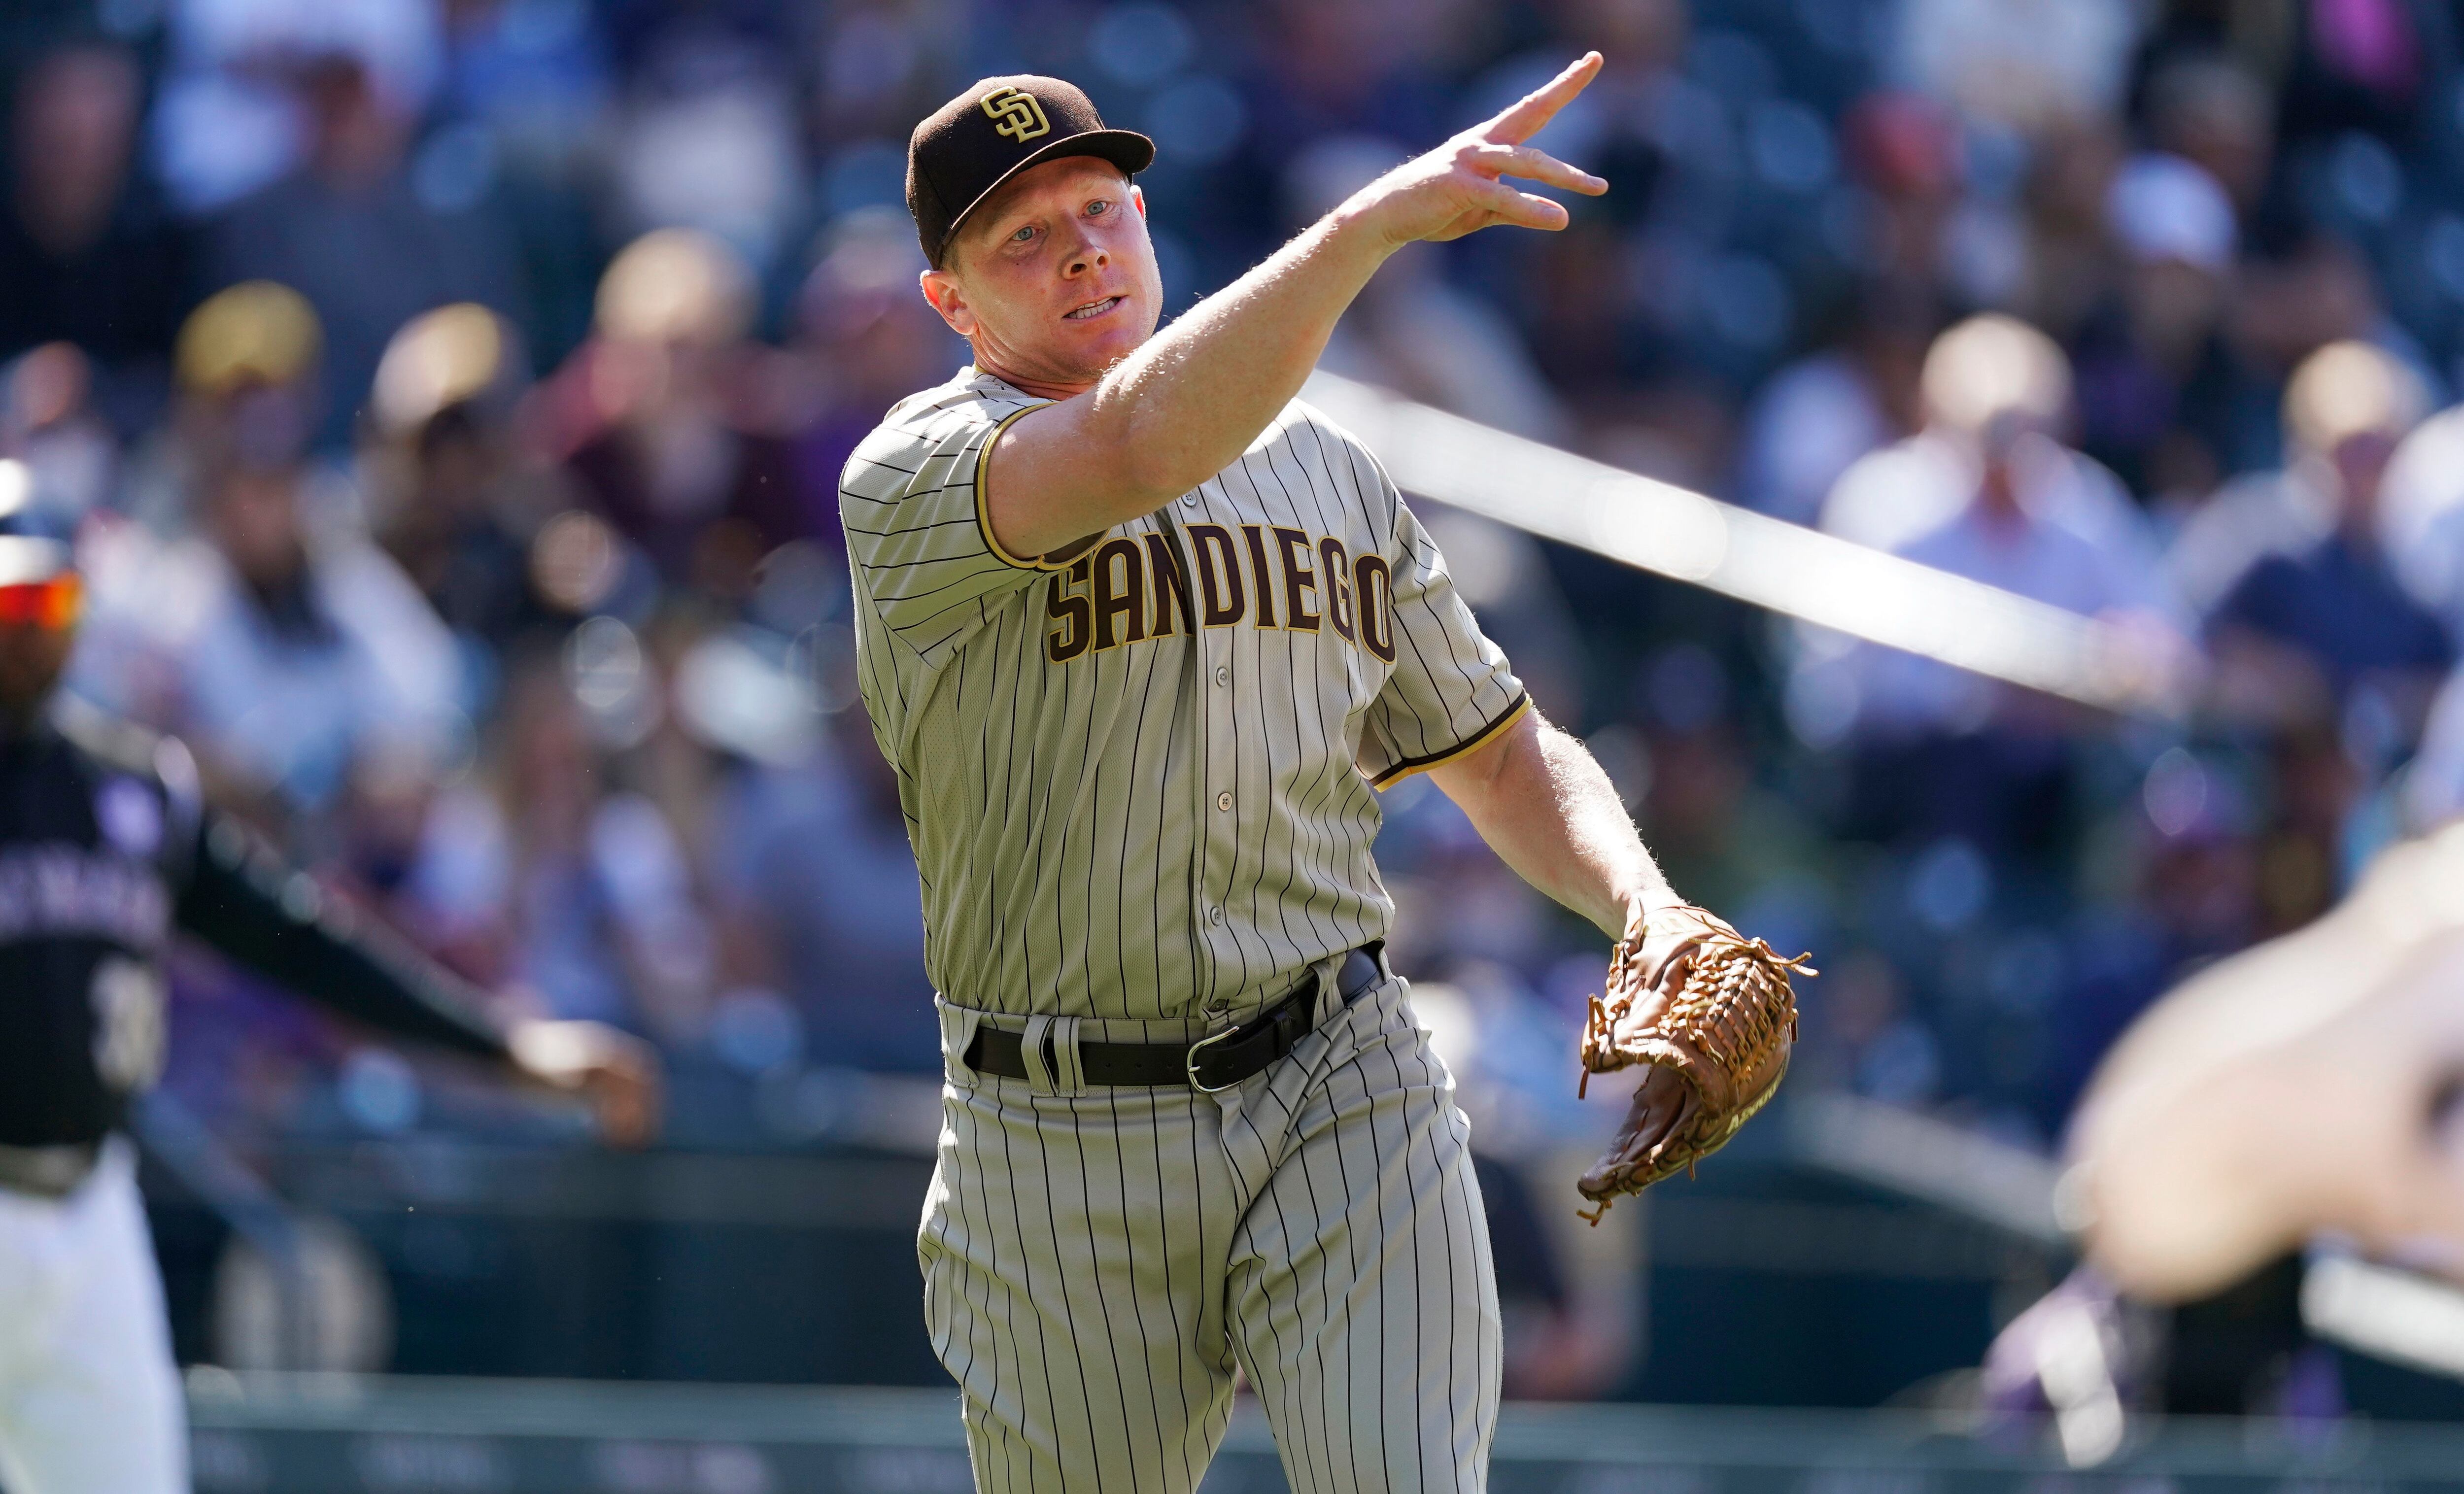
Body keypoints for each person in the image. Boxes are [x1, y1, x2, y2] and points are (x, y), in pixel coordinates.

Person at [849, 61, 1708, 1492]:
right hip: (1059, 1130)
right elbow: (1135, 441)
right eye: (1023, 238)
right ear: (951, 303)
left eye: (1101, 207)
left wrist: (1646, 905)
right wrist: (1372, 224)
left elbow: (1498, 750)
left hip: (1342, 1078)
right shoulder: (908, 477)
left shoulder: (1326, 467)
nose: (1080, 250)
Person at [0, 526, 658, 1494]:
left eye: (48, 604)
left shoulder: (127, 785)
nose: (29, 633)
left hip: (93, 1208)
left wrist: (508, 1046)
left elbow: (298, 939)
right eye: (10, 606)